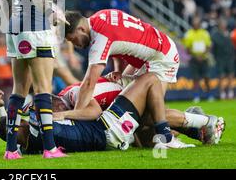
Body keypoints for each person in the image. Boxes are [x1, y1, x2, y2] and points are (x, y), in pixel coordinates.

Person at [0, 0, 68, 159]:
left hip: (18, 28)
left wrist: (14, 22)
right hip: (36, 26)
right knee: (42, 88)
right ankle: (49, 147)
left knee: (19, 89)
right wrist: (52, 12)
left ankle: (10, 149)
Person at [63, 9, 183, 147]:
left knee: (147, 114)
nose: (74, 44)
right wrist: (118, 70)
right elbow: (119, 41)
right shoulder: (101, 15)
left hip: (161, 57)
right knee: (130, 99)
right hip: (151, 50)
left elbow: (89, 83)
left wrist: (76, 117)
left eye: (72, 39)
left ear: (81, 29)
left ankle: (198, 125)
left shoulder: (100, 39)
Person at [0, 73, 201, 153]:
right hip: (107, 127)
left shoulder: (29, 148)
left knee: (148, 132)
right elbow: (21, 107)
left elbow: (10, 127)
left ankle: (192, 130)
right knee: (150, 80)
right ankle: (203, 121)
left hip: (110, 137)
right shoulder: (37, 122)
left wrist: (0, 108)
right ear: (19, 126)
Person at [183, 16, 213, 102]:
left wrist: (202, 54)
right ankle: (196, 96)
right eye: (194, 23)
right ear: (192, 24)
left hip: (204, 58)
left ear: (199, 24)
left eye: (197, 23)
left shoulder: (205, 33)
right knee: (195, 78)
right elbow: (187, 49)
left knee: (207, 77)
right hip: (194, 59)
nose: (196, 25)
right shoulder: (189, 34)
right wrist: (196, 56)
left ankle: (209, 95)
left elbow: (209, 46)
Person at [211, 19, 234, 100]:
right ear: (219, 25)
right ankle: (222, 93)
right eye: (222, 24)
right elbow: (213, 48)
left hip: (230, 58)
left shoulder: (229, 34)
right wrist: (215, 57)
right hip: (220, 58)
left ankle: (230, 91)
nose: (223, 25)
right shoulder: (215, 35)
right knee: (221, 75)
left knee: (231, 75)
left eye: (224, 24)